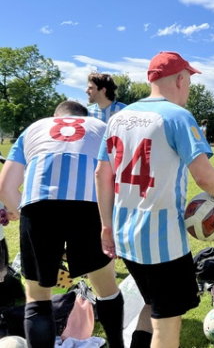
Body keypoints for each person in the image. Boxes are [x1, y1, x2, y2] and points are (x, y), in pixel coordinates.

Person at [95, 51, 214, 348]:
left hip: (126, 234)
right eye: (189, 81)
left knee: (152, 304)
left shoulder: (119, 117)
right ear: (180, 79)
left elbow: (102, 176)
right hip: (161, 240)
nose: (189, 88)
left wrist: (105, 226)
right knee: (167, 325)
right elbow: (204, 176)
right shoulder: (177, 116)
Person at [0, 101, 125, 348]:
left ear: (56, 117)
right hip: (90, 204)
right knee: (106, 290)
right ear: (84, 117)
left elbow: (5, 187)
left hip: (39, 204)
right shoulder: (101, 126)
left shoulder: (35, 127)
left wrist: (20, 212)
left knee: (37, 298)